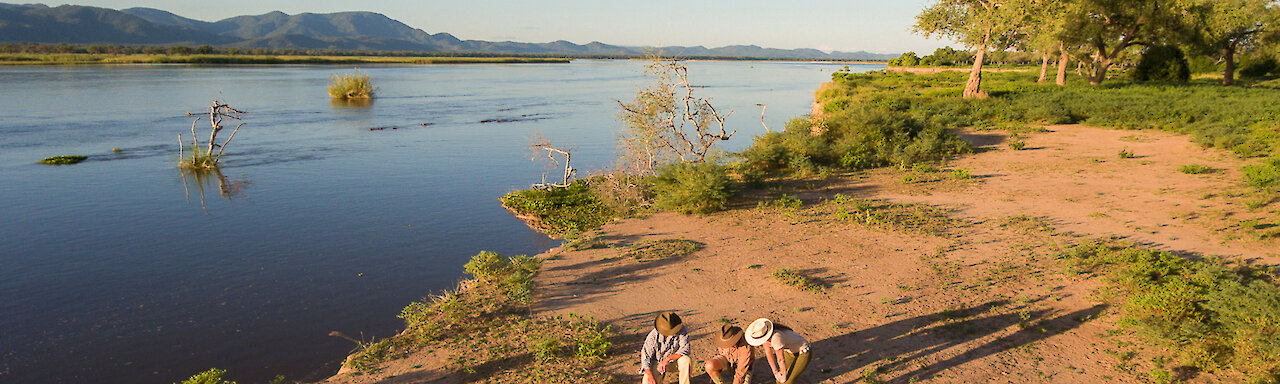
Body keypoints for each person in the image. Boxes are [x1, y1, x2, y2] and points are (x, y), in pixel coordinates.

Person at [745, 318, 810, 384]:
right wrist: (776, 372)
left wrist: (784, 376)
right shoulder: (766, 337)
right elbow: (768, 353)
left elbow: (781, 360)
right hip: (789, 352)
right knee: (779, 380)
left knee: (788, 381)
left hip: (803, 352)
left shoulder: (776, 338)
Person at [639, 312, 691, 384]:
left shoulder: (681, 330)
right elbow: (645, 358)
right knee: (647, 381)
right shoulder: (653, 336)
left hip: (673, 360)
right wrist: (650, 376)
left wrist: (668, 359)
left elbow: (685, 349)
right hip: (656, 363)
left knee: (685, 360)